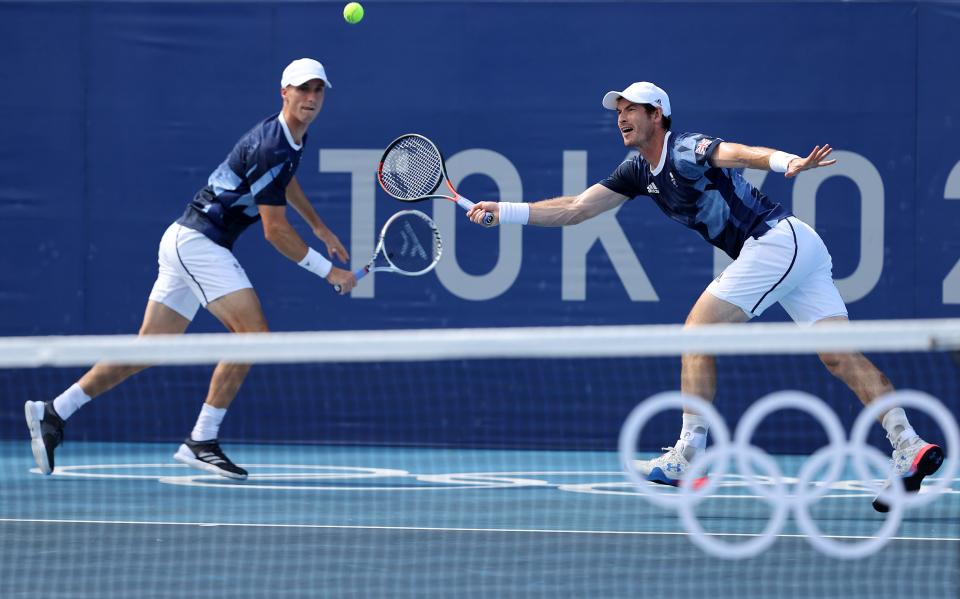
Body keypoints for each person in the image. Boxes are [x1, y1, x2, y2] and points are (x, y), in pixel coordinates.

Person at [467, 81, 943, 511]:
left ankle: (687, 455)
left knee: (697, 331)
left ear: (659, 116)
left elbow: (738, 153)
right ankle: (909, 443)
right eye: (619, 111)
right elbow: (575, 209)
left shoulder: (686, 149)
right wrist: (505, 212)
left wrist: (786, 163)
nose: (621, 117)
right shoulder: (637, 171)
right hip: (798, 247)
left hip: (775, 241)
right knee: (840, 358)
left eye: (633, 109)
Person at [24, 58, 357, 481]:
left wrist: (319, 225)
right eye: (302, 89)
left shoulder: (291, 138)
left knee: (149, 350)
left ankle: (54, 412)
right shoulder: (272, 143)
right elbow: (274, 233)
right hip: (199, 243)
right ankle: (201, 440)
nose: (310, 98)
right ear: (284, 92)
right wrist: (329, 272)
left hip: (185, 239)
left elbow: (284, 181)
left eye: (317, 90)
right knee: (254, 337)